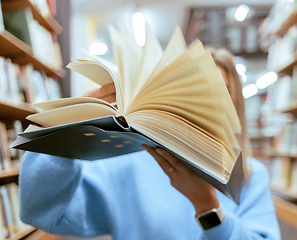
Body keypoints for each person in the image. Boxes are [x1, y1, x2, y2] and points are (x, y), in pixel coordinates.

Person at [19, 48, 281, 240]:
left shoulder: (250, 176)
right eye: (194, 88)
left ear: (235, 107)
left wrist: (207, 207)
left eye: (220, 90)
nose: (207, 100)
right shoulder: (129, 162)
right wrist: (68, 123)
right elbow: (43, 212)